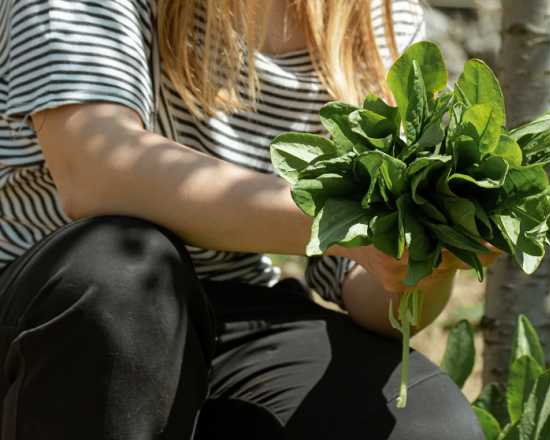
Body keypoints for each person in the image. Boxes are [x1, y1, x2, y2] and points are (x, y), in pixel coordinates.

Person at [0, 0, 488, 438]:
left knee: (427, 426)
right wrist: (350, 226)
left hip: (228, 304)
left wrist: (418, 262)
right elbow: (96, 170)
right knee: (120, 277)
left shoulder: (376, 15)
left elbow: (362, 284)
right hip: (56, 300)